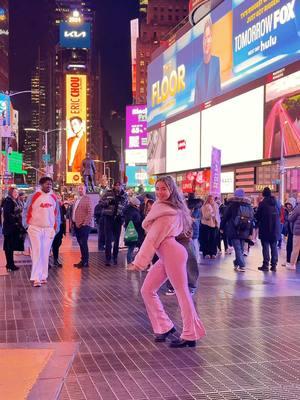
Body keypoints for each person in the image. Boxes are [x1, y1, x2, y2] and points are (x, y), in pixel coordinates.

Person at [128, 176, 206, 348]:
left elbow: (152, 239)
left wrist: (139, 262)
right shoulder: (166, 208)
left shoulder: (166, 212)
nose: (160, 192)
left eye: (164, 188)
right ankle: (163, 327)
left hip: (172, 254)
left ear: (171, 190)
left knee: (182, 293)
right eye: (157, 188)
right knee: (147, 290)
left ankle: (190, 334)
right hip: (168, 254)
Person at [22, 177, 60, 287]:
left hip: (49, 229)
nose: (49, 186)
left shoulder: (54, 197)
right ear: (41, 185)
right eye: (47, 184)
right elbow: (25, 210)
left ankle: (43, 276)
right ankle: (36, 278)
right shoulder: (33, 196)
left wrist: (55, 229)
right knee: (37, 251)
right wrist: (27, 226)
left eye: (50, 184)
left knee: (45, 252)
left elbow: (57, 214)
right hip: (35, 228)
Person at [220, 189, 254, 272]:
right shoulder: (248, 205)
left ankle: (242, 265)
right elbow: (251, 219)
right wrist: (250, 232)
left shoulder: (232, 205)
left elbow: (225, 217)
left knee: (238, 248)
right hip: (245, 229)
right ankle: (236, 262)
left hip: (234, 229)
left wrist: (221, 227)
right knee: (240, 248)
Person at [194, 18, 221, 105]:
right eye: (204, 38)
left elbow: (219, 93)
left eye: (208, 37)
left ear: (212, 39)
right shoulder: (198, 72)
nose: (206, 42)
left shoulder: (217, 62)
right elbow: (196, 103)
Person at [101, 182, 128, 266]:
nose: (118, 187)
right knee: (108, 239)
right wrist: (108, 202)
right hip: (108, 218)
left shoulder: (124, 195)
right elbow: (101, 203)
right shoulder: (108, 192)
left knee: (116, 240)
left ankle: (115, 257)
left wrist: (123, 218)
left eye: (119, 185)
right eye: (116, 185)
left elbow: (125, 207)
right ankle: (108, 259)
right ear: (114, 186)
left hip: (118, 219)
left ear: (121, 186)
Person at [256, 187, 281, 272]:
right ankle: (274, 266)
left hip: (265, 228)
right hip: (275, 228)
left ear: (263, 194)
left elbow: (258, 216)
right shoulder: (277, 202)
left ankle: (265, 265)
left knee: (265, 246)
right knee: (274, 246)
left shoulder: (262, 203)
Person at [2, 187, 26, 272]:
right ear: (10, 193)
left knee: (10, 247)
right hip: (9, 228)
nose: (16, 194)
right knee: (8, 247)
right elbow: (8, 214)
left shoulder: (13, 200)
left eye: (17, 192)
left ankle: (11, 264)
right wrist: (15, 222)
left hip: (12, 227)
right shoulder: (8, 201)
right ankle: (9, 265)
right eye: (15, 192)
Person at [72, 185, 93, 268]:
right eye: (79, 189)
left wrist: (85, 223)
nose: (80, 190)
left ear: (85, 190)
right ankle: (83, 260)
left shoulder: (87, 199)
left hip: (84, 226)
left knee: (83, 243)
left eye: (82, 189)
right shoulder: (77, 199)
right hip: (76, 225)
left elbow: (90, 212)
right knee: (80, 244)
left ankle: (85, 262)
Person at [123, 196, 143, 264]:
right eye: (137, 205)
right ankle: (130, 263)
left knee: (131, 248)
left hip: (130, 232)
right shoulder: (133, 211)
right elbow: (134, 221)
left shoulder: (128, 210)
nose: (138, 206)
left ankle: (131, 261)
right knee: (131, 248)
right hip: (134, 232)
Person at [201, 195, 220, 259]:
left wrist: (218, 224)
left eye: (212, 199)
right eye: (210, 199)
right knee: (206, 239)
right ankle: (206, 253)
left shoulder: (216, 206)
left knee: (214, 239)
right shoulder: (205, 206)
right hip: (206, 224)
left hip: (214, 225)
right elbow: (205, 216)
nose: (211, 201)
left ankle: (213, 253)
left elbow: (217, 216)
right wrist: (210, 212)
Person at [51, 195, 67, 268]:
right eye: (57, 198)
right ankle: (53, 260)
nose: (58, 199)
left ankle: (55, 259)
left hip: (60, 227)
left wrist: (63, 205)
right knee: (52, 244)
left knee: (58, 243)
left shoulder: (60, 206)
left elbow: (65, 214)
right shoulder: (52, 205)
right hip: (52, 227)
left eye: (59, 198)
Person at [287, 201, 300, 270]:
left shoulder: (298, 208)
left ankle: (292, 265)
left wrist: (290, 214)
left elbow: (291, 219)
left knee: (295, 248)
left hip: (298, 232)